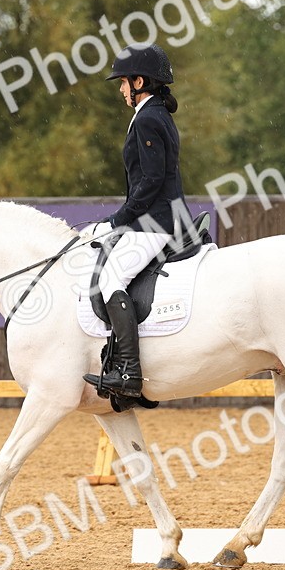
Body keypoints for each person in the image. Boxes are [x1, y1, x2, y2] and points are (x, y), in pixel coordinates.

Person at [83, 43, 185, 400]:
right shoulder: (154, 114)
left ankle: (129, 371)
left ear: (139, 81)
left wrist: (119, 219)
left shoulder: (148, 117)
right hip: (157, 216)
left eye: (124, 83)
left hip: (156, 220)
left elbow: (151, 180)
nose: (121, 89)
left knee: (111, 278)